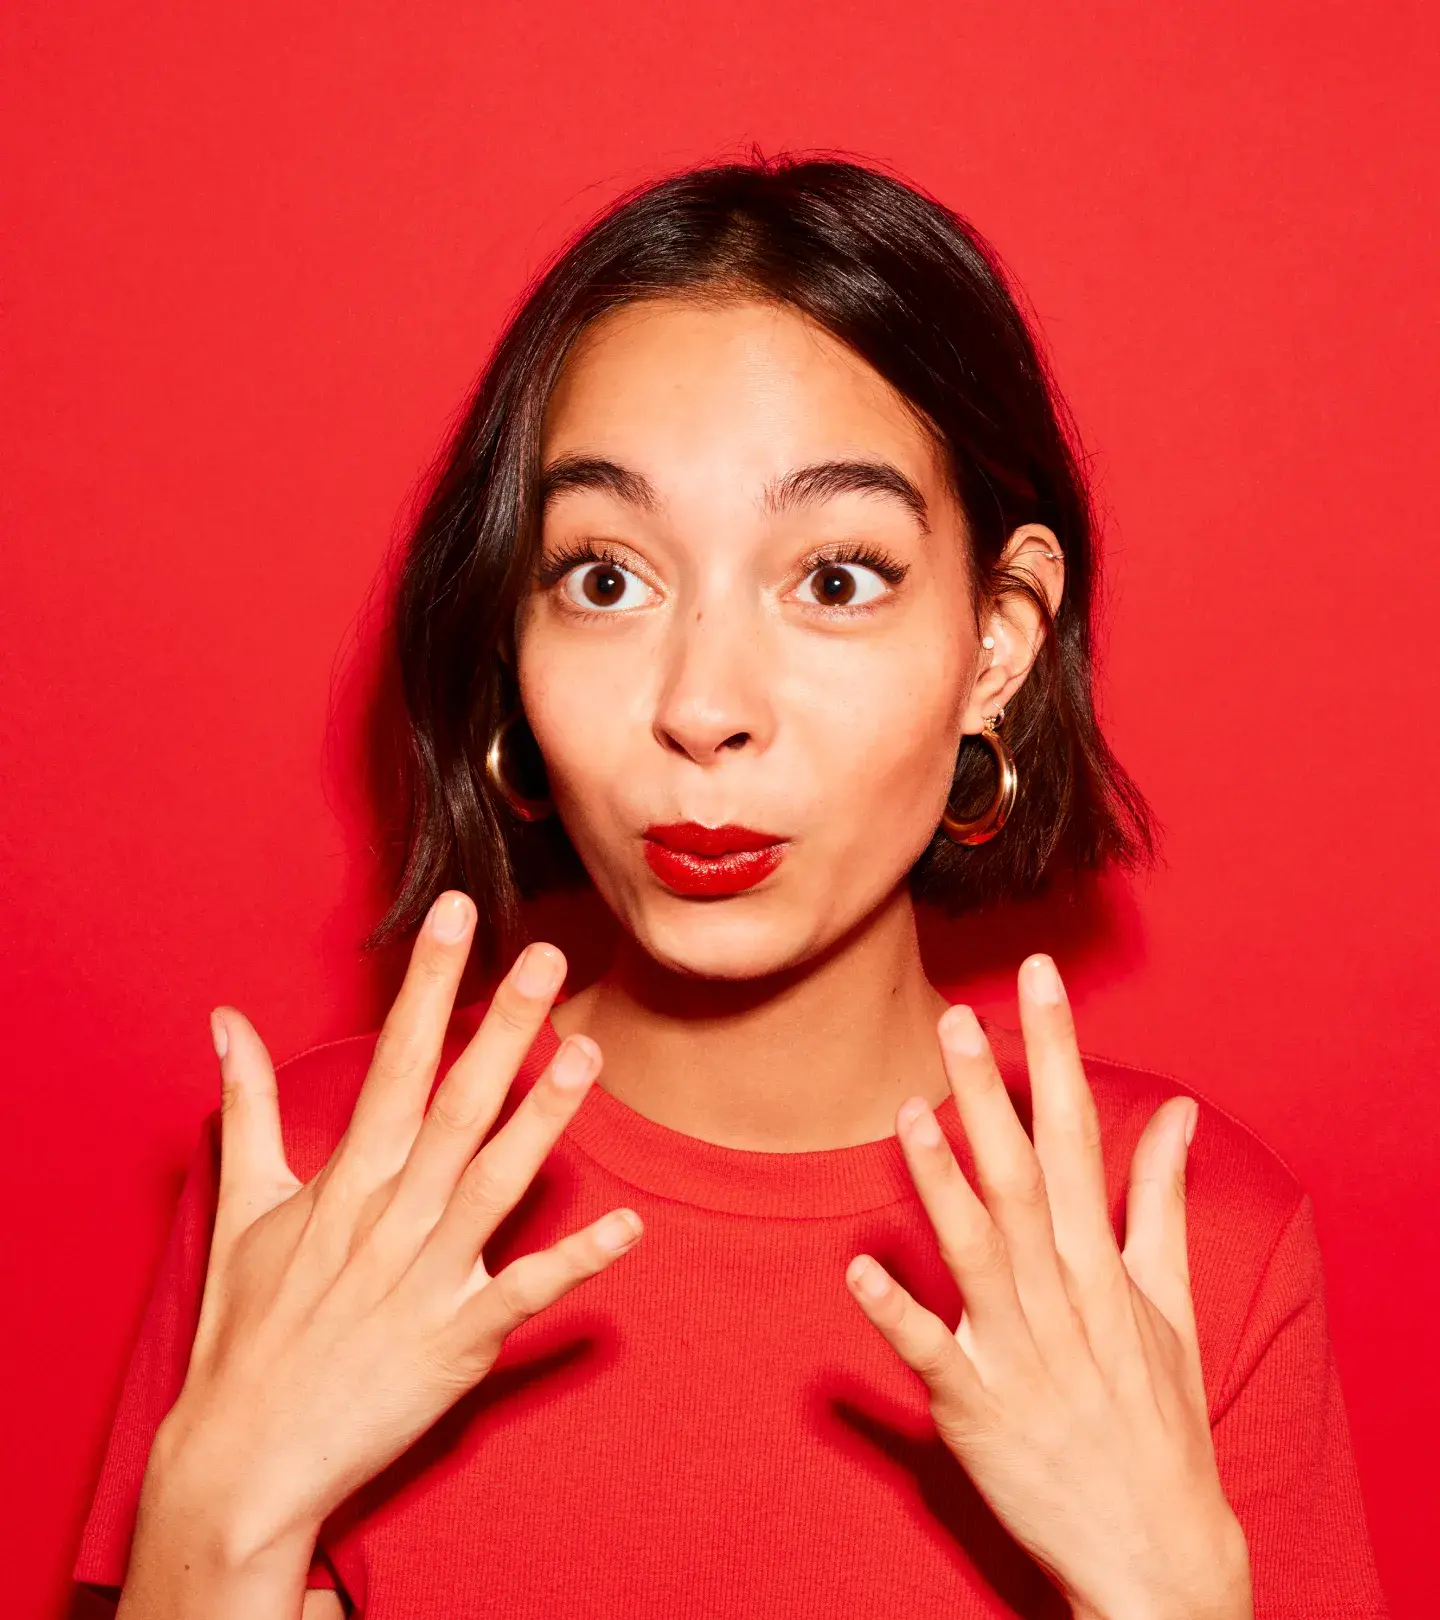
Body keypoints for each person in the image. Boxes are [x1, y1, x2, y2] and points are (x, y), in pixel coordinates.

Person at [74, 155, 1388, 1619]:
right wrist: (212, 1526)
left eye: (834, 577)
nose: (703, 704)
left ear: (997, 643)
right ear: (510, 636)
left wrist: (1173, 1595)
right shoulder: (313, 1197)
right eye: (605, 577)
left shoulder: (1186, 1248)